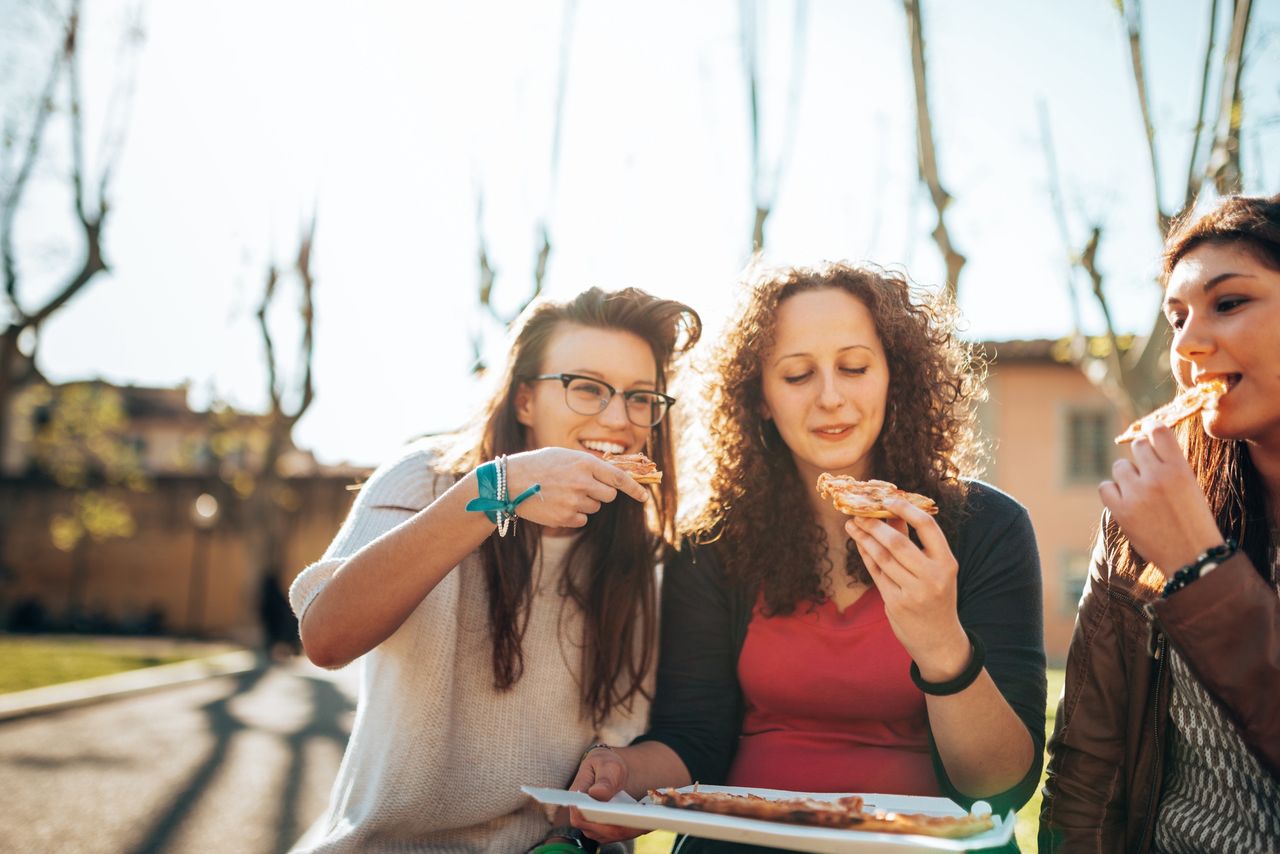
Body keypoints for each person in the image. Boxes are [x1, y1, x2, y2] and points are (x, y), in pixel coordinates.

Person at [569, 262, 1047, 852]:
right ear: (760, 398)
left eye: (854, 367)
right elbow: (694, 738)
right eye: (797, 375)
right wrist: (625, 775)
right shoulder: (715, 539)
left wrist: (941, 643)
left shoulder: (986, 528)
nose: (830, 397)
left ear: (895, 376)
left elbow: (999, 788)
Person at [287, 287, 701, 853]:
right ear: (525, 400)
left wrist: (587, 811)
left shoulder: (643, 558)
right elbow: (327, 636)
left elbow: (616, 746)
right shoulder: (427, 482)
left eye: (640, 397)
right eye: (586, 388)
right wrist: (493, 492)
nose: (617, 418)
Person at [1039, 195, 1280, 852]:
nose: (1188, 344)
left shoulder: (1174, 530)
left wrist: (1201, 567)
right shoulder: (1139, 521)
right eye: (1176, 318)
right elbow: (1088, 761)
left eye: (1228, 303)